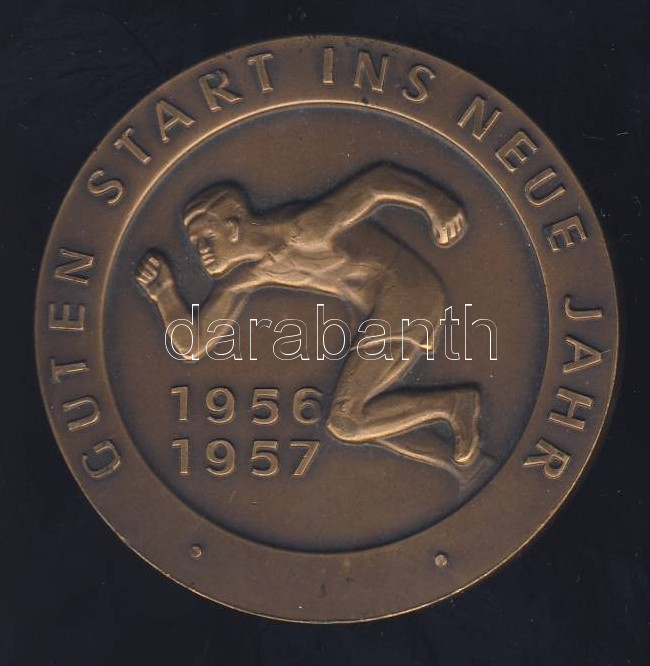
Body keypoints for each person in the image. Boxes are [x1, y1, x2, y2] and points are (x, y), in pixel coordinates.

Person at [135, 163, 482, 472]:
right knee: (359, 421)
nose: (201, 253)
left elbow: (377, 182)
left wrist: (438, 203)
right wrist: (163, 293)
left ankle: (452, 405)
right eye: (196, 244)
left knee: (346, 421)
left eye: (206, 239)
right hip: (381, 308)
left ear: (233, 226)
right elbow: (193, 344)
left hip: (407, 295)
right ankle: (453, 424)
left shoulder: (302, 229)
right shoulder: (247, 275)